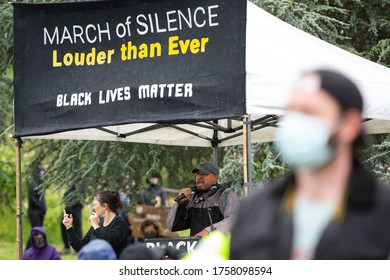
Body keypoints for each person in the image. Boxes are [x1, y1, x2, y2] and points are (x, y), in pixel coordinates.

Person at [229, 68, 390, 260]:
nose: (295, 123)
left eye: (309, 112)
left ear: (350, 125)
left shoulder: (383, 214)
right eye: (291, 111)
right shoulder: (255, 209)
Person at [167, 161, 240, 237]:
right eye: (198, 174)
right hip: (197, 248)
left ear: (215, 177)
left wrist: (207, 231)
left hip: (220, 248)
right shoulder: (191, 197)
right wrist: (180, 204)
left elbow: (233, 220)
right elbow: (172, 226)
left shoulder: (226, 195)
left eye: (204, 174)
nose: (199, 177)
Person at [62, 190, 129, 258]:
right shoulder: (98, 223)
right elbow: (81, 247)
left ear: (104, 206)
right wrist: (69, 228)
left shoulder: (120, 224)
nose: (93, 208)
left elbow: (108, 243)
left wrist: (96, 226)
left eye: (95, 204)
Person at [26, 165, 46, 250]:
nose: (42, 173)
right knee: (36, 232)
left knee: (38, 232)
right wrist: (41, 207)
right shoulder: (32, 183)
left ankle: (35, 250)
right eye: (41, 171)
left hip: (39, 213)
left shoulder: (39, 183)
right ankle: (27, 251)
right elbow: (32, 199)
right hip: (34, 212)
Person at [60, 186, 84, 255]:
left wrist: (78, 206)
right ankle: (66, 248)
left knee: (77, 228)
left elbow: (82, 194)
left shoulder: (81, 180)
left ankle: (78, 250)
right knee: (63, 224)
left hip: (76, 207)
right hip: (68, 206)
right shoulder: (70, 180)